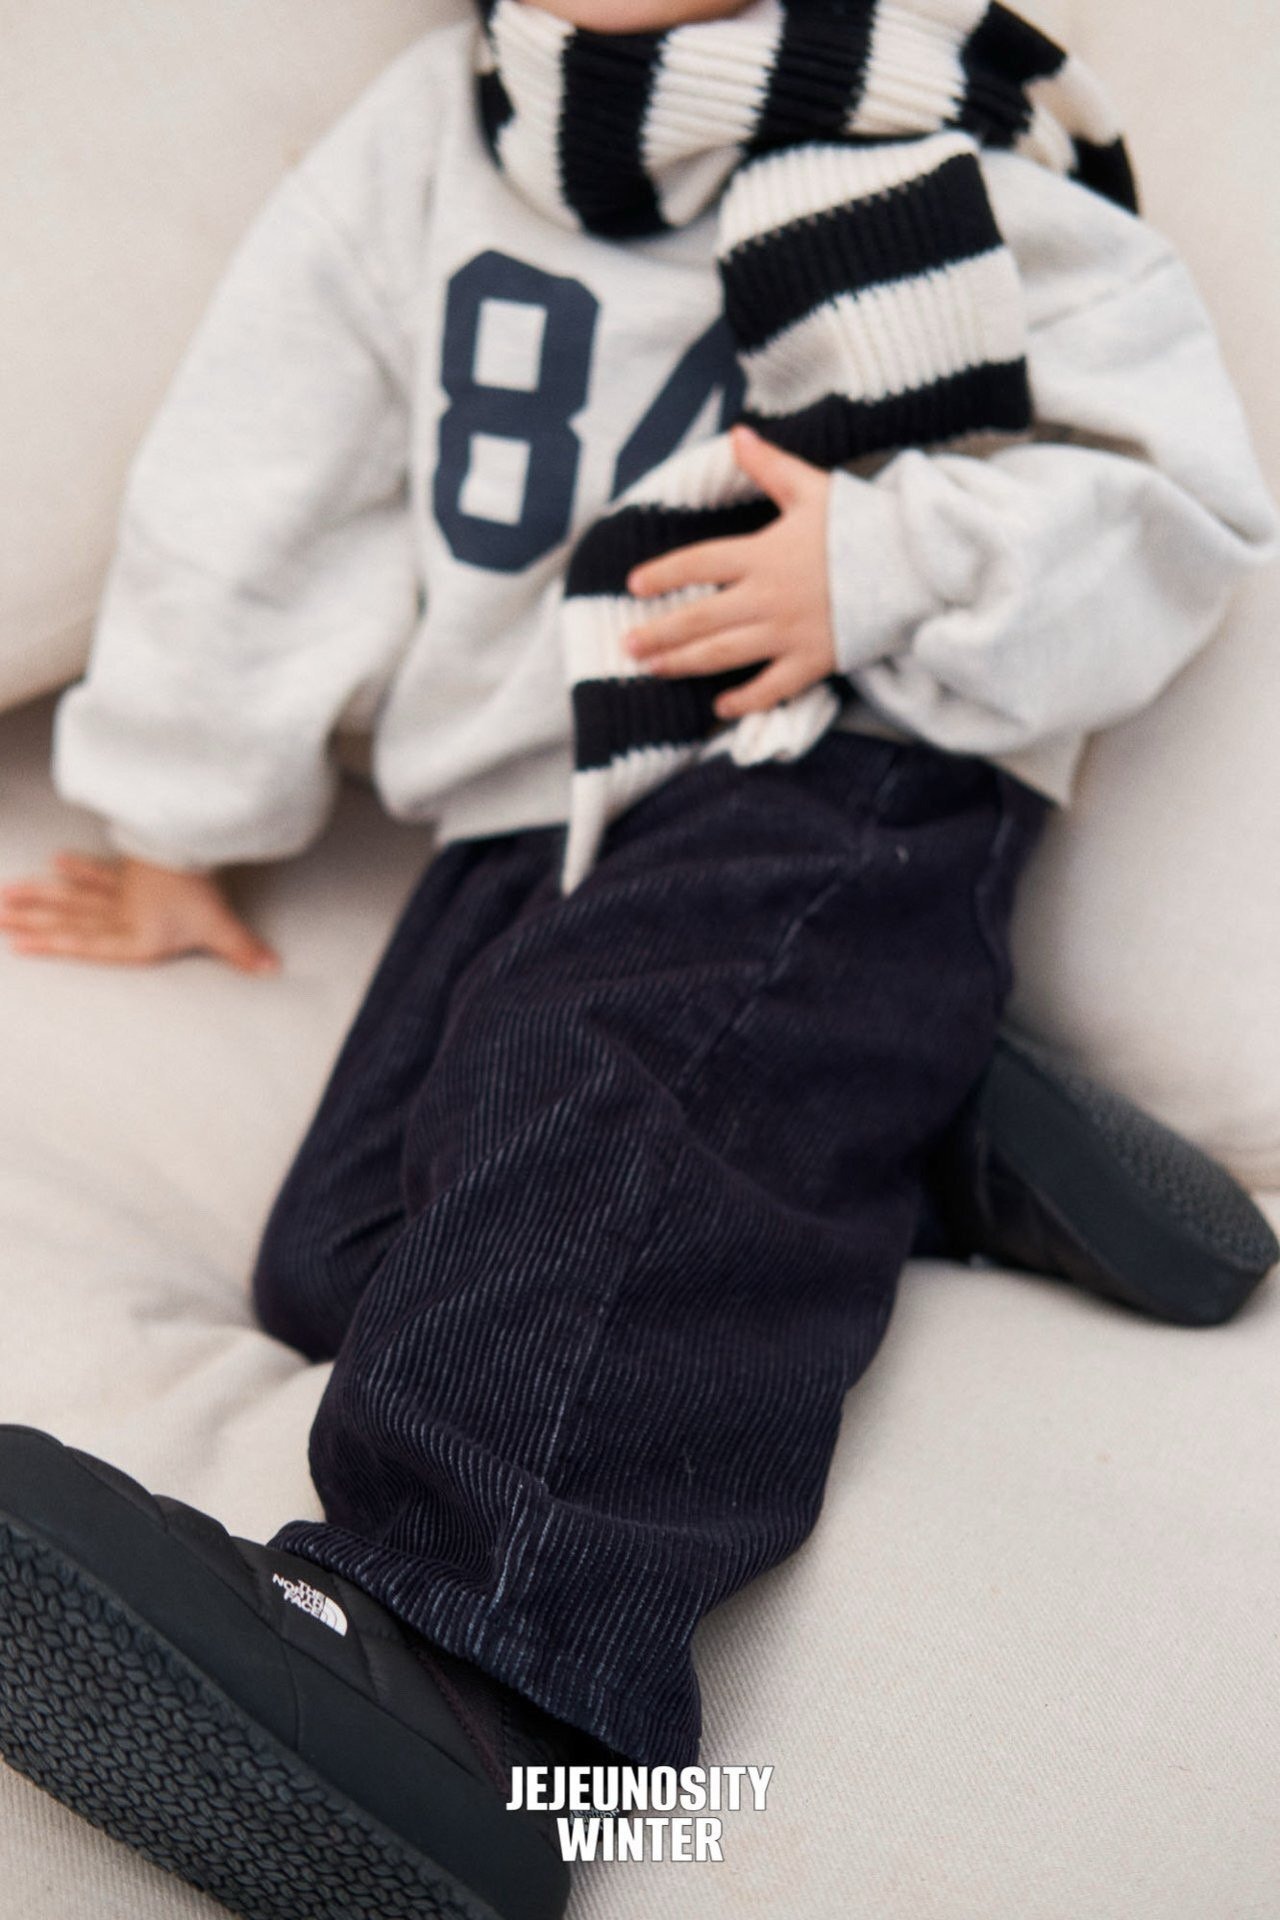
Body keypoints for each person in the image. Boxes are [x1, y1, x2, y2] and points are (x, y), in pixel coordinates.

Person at [0, 0, 1274, 1915]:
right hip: (535, 795)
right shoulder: (429, 146)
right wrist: (183, 809)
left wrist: (885, 561)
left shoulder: (933, 127)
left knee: (602, 1108)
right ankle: (887, 1077)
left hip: (837, 750)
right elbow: (256, 477)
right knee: (347, 1257)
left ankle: (482, 1687)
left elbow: (1170, 501)